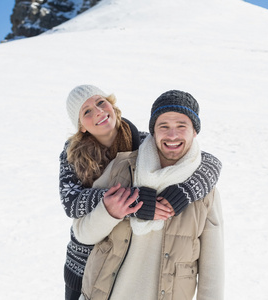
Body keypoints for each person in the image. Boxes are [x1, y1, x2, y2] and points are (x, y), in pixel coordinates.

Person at [59, 85, 222, 299]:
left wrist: (186, 191)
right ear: (81, 126)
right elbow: (72, 202)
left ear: (112, 105)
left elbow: (207, 161)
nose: (98, 111)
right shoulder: (74, 155)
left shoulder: (141, 142)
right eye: (86, 111)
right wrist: (134, 202)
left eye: (100, 102)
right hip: (85, 264)